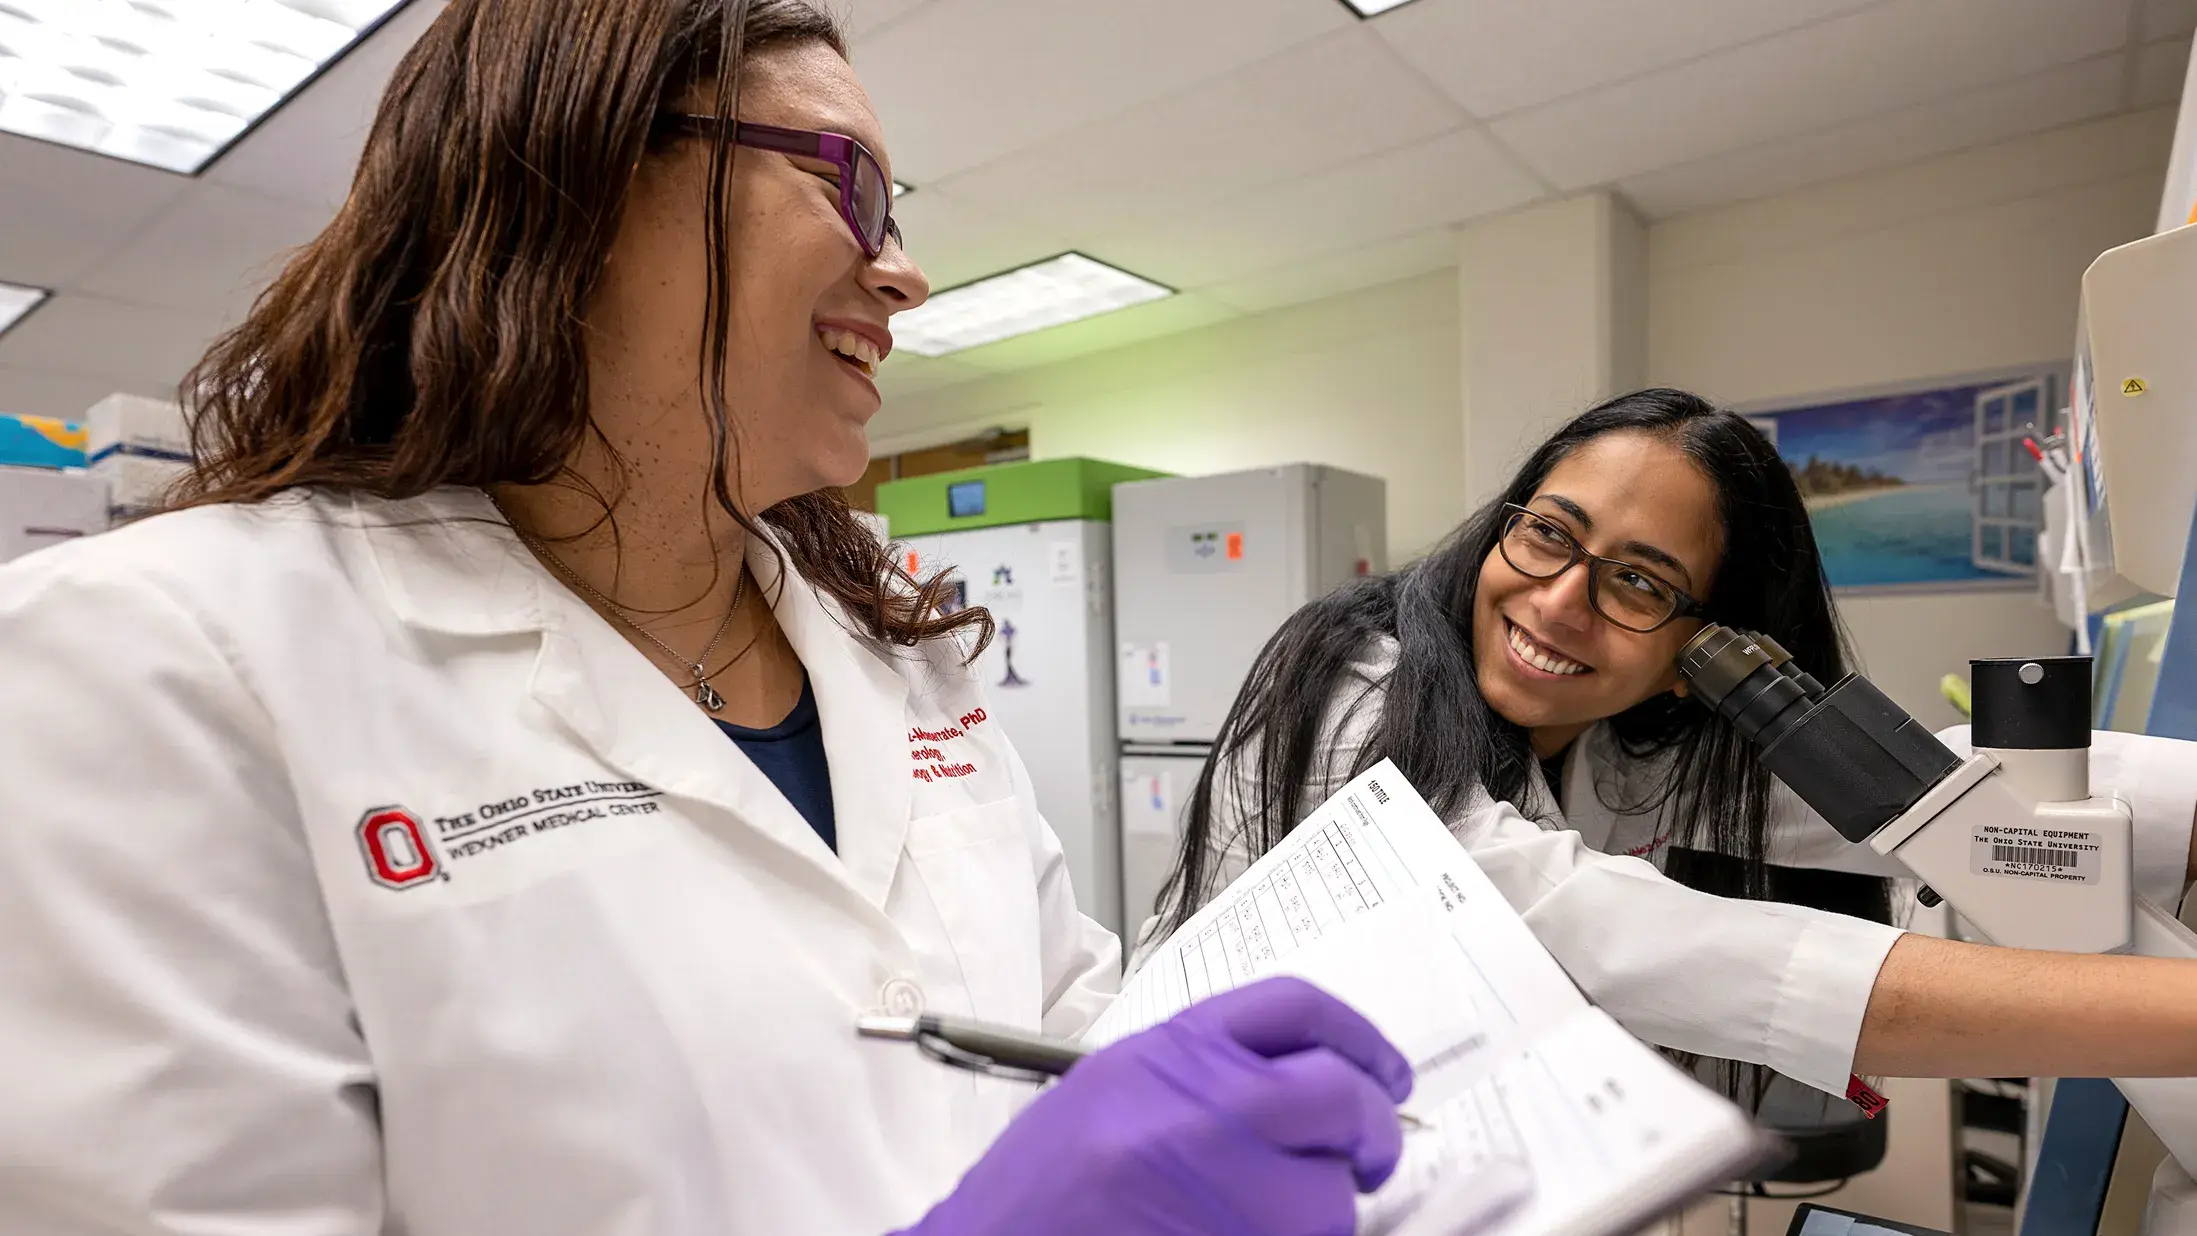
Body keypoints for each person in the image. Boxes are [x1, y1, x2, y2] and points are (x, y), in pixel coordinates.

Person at [0, 4, 1414, 1235]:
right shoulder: (156, 659)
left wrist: (1190, 1094)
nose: (907, 272)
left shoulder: (900, 656)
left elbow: (1056, 1021)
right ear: (582, 178)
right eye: (855, 187)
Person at [1154, 388, 2197, 1101]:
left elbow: (1908, 799)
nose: (1560, 604)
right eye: (1549, 533)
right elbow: (1593, 927)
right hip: (1198, 1136)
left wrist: (2177, 818)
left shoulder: (1612, 739)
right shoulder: (1352, 681)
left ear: (1706, 648)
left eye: (1641, 582)